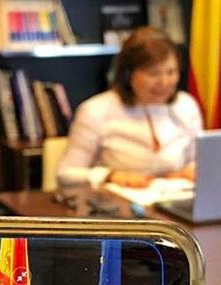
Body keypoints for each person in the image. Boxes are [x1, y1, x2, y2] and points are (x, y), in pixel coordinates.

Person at [57, 27, 203, 189]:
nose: (164, 82)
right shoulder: (95, 110)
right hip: (116, 208)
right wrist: (110, 175)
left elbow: (196, 161)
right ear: (128, 75)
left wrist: (189, 172)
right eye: (153, 74)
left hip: (172, 201)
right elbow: (65, 174)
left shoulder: (186, 106)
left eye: (171, 72)